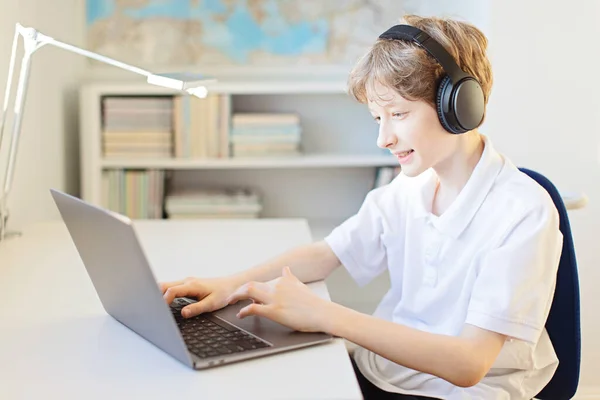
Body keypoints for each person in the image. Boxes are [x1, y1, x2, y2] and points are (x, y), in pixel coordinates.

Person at [160, 14, 562, 400]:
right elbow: (327, 254)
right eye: (377, 118)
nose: (383, 138)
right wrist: (231, 285)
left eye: (398, 115)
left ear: (459, 107)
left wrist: (324, 315)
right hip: (387, 372)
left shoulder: (522, 211)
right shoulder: (410, 188)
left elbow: (469, 364)